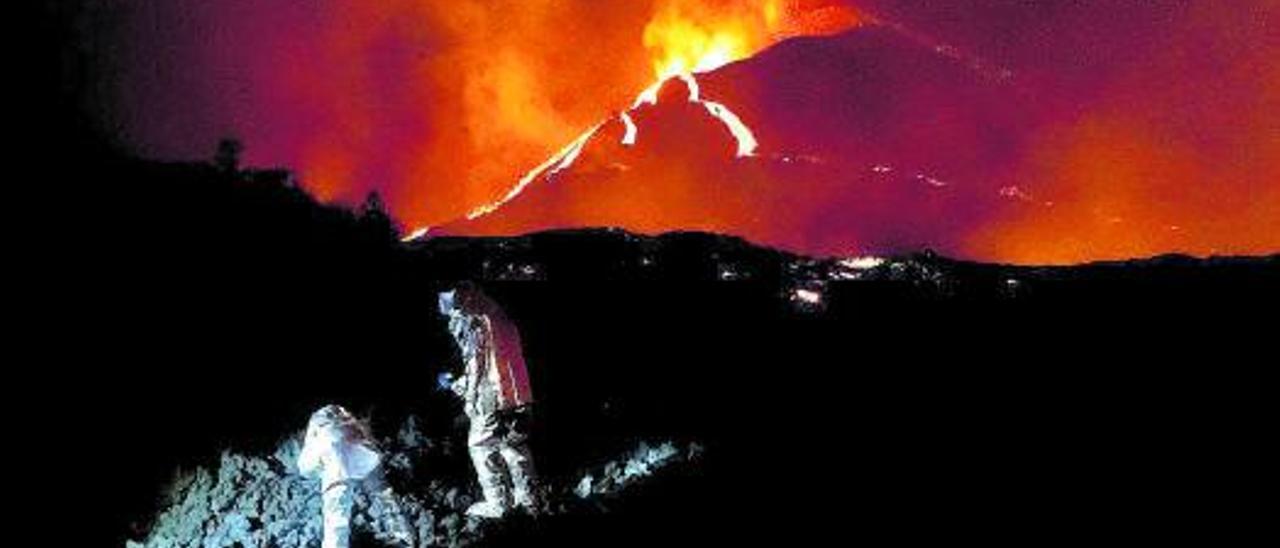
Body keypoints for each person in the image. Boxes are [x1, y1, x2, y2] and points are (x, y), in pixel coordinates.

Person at [438, 284, 540, 518]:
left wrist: (456, 386)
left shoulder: (474, 321)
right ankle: (531, 503)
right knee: (513, 446)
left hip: (493, 396)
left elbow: (478, 370)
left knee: (481, 447)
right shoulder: (497, 316)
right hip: (517, 395)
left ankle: (499, 505)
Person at [296, 405, 385, 548]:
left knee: (337, 525)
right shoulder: (330, 430)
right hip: (336, 480)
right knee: (337, 524)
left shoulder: (331, 431)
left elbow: (307, 467)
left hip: (336, 480)